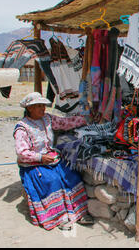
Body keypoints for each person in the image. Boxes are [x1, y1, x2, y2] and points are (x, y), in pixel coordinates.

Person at [13, 92, 94, 231]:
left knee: (71, 175)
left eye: (43, 106)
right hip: (34, 164)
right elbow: (21, 153)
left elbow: (66, 123)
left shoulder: (48, 119)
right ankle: (59, 218)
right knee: (52, 181)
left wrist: (87, 118)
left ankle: (78, 212)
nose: (42, 109)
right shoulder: (22, 127)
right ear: (30, 108)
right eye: (38, 106)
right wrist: (40, 158)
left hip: (52, 159)